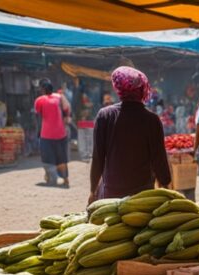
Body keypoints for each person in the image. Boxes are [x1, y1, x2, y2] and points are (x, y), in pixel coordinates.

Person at [89, 67, 171, 202]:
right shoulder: (152, 120)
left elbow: (98, 158)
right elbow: (159, 159)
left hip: (111, 194)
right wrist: (166, 185)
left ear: (118, 88)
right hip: (143, 196)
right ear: (142, 88)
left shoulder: (104, 115)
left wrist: (93, 191)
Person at [34, 78, 71, 188]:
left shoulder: (40, 100)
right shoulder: (60, 97)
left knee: (47, 158)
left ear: (42, 89)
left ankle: (50, 178)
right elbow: (67, 109)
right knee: (61, 158)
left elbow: (37, 115)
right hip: (61, 134)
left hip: (46, 134)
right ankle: (65, 180)